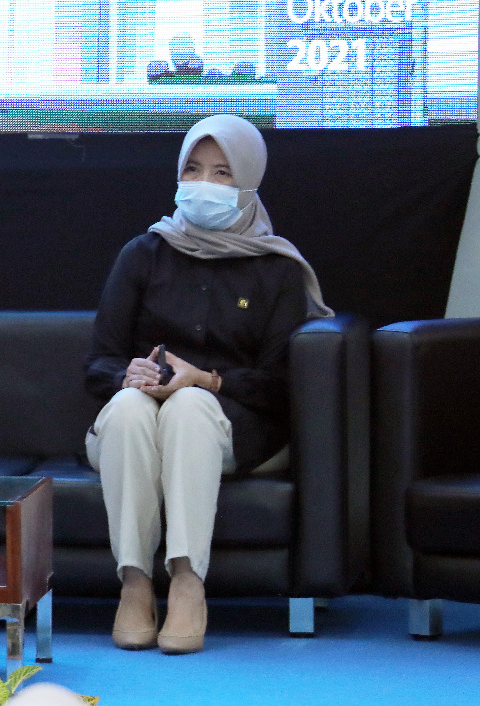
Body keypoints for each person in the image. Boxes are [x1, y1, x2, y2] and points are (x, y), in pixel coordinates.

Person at [83, 114, 332, 655]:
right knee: (128, 407)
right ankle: (135, 584)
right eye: (192, 169)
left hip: (230, 428)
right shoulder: (143, 253)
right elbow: (99, 361)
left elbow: (280, 385)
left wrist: (209, 381)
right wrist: (128, 374)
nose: (203, 184)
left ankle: (187, 582)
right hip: (136, 426)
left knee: (190, 405)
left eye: (221, 173)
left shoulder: (277, 270)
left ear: (248, 182)